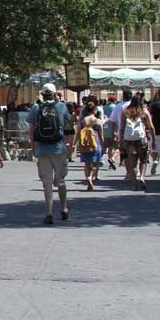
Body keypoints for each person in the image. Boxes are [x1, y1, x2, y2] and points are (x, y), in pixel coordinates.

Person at [28, 82, 72, 224]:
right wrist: (69, 145)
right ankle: (64, 208)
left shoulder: (36, 107)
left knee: (46, 183)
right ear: (54, 94)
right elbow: (69, 124)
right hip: (59, 148)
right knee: (60, 181)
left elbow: (31, 129)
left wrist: (33, 147)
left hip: (42, 149)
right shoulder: (61, 106)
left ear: (42, 94)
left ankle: (49, 212)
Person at [119, 96, 155, 191]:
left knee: (132, 163)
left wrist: (121, 141)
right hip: (141, 140)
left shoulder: (125, 112)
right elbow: (151, 127)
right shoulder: (144, 112)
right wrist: (153, 140)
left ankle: (135, 184)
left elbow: (122, 128)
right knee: (143, 160)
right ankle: (142, 177)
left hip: (129, 140)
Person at [77, 104, 105, 191]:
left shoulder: (83, 121)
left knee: (87, 164)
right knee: (95, 163)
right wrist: (103, 145)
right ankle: (91, 177)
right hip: (95, 142)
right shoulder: (98, 121)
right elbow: (101, 136)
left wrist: (75, 143)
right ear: (94, 110)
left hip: (85, 143)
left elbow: (78, 132)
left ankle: (88, 178)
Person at [103, 94, 119, 170]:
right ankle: (112, 159)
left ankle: (110, 160)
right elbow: (115, 119)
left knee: (109, 147)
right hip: (114, 130)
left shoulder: (104, 107)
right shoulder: (115, 107)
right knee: (117, 147)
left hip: (105, 130)